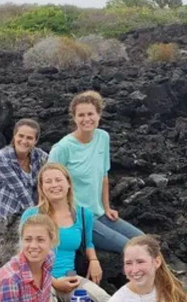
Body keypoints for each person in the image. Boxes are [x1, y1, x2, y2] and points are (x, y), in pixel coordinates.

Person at [48, 90, 143, 253]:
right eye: (81, 115)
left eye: (90, 114)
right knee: (130, 249)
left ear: (99, 115)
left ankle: (164, 277)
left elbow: (103, 176)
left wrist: (106, 207)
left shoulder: (103, 137)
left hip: (99, 213)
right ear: (74, 117)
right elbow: (47, 185)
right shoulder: (63, 148)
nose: (86, 119)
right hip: (79, 217)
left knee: (144, 241)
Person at [21, 163, 110, 302]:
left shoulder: (83, 214)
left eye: (58, 180)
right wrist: (53, 282)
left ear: (68, 183)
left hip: (69, 277)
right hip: (39, 279)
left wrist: (94, 260)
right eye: (48, 182)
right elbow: (23, 255)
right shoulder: (31, 215)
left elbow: (88, 243)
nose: (54, 185)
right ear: (42, 188)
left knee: (103, 300)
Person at [0, 118, 47, 274]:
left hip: (30, 208)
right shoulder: (2, 157)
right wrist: (38, 217)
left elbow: (53, 173)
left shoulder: (40, 157)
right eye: (21, 136)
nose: (24, 141)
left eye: (29, 138)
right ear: (14, 136)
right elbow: (20, 190)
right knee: (18, 250)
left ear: (36, 140)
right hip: (6, 212)